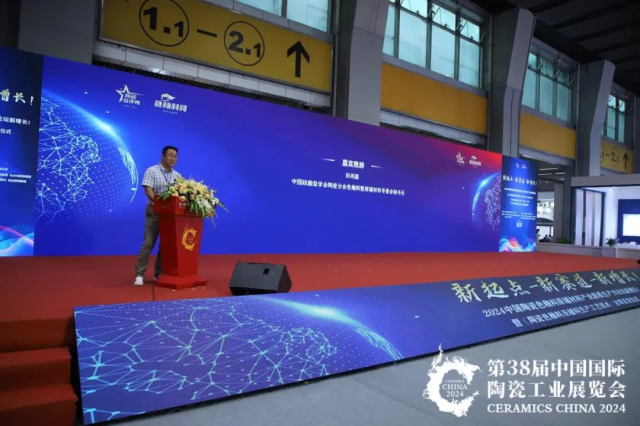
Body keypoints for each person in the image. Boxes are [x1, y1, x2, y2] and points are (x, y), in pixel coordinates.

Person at [134, 146, 182, 285]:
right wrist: (159, 203)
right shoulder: (152, 170)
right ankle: (139, 274)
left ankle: (159, 273)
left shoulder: (177, 176)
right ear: (163, 156)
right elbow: (148, 190)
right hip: (154, 212)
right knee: (148, 243)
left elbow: (179, 195)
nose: (173, 158)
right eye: (170, 155)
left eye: (175, 156)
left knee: (165, 246)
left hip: (170, 215)